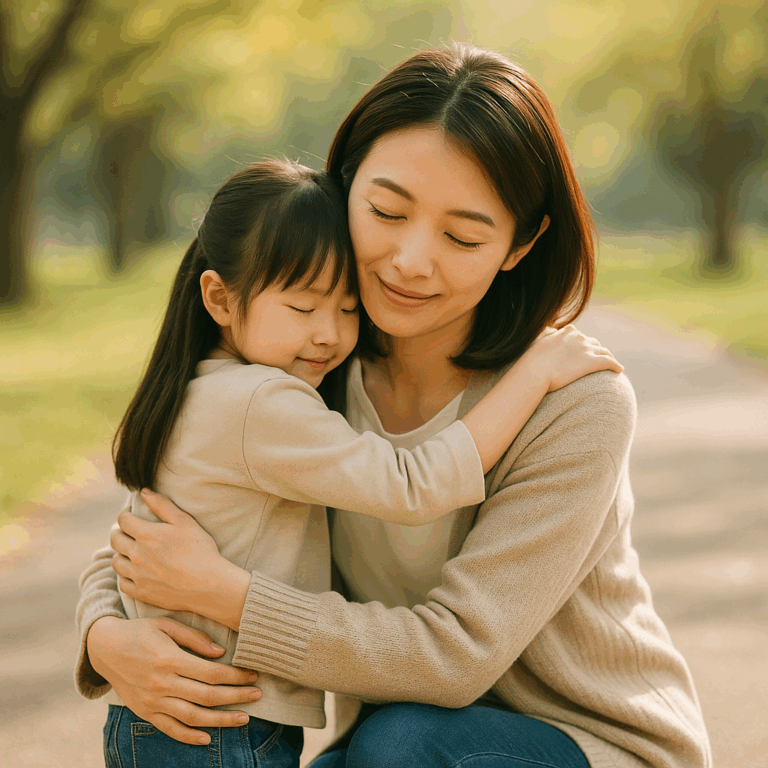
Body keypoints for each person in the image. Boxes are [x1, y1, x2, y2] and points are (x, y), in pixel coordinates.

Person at [76, 43, 712, 768]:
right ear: (343, 188)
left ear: (520, 244)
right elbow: (161, 526)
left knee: (401, 744)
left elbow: (455, 657)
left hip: (587, 743)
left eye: (461, 236)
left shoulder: (573, 403)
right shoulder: (315, 363)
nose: (410, 260)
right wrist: (108, 639)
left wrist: (231, 599)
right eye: (386, 210)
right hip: (397, 746)